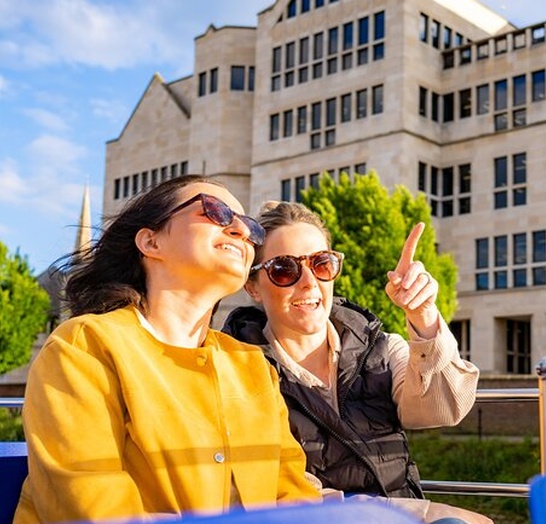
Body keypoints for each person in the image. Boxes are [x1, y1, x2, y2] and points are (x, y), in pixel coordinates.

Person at [14, 176, 320, 524]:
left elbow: (293, 496)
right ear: (150, 241)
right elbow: (91, 507)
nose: (241, 230)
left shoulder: (251, 364)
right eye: (216, 212)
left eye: (250, 227)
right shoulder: (84, 347)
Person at [223, 201, 491, 524]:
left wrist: (424, 317)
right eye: (284, 269)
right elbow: (284, 497)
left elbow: (443, 409)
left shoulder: (377, 347)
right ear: (252, 285)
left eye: (321, 264)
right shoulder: (239, 372)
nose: (309, 282)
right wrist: (423, 513)